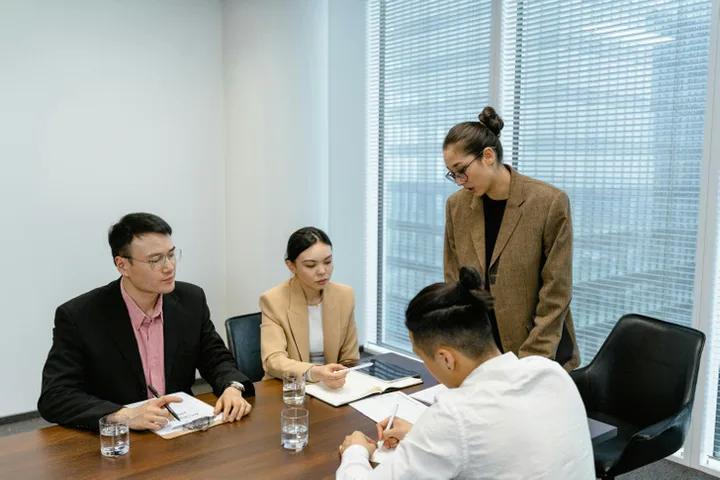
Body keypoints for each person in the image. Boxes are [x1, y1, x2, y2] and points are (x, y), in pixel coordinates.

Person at [336, 267, 595, 479]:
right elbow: (504, 441)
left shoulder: (454, 415)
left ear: (446, 358)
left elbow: (466, 430)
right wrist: (422, 436)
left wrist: (356, 450)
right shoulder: (550, 372)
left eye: (422, 357)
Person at [38, 213, 254, 431]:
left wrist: (232, 387)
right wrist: (123, 415)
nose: (169, 267)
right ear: (123, 265)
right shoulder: (81, 316)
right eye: (155, 260)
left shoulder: (191, 300)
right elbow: (55, 395)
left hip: (180, 431)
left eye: (171, 255)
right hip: (118, 440)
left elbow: (216, 358)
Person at [443, 106, 580, 370]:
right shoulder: (456, 206)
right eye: (453, 174)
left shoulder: (548, 203)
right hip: (483, 353)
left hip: (540, 354)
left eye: (462, 170)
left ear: (488, 156)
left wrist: (530, 362)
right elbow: (454, 281)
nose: (459, 181)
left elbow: (556, 292)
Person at [259, 227, 359, 388]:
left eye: (328, 262)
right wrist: (315, 372)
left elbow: (350, 358)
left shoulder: (344, 296)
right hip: (288, 388)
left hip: (332, 388)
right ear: (291, 267)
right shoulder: (273, 300)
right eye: (311, 265)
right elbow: (273, 360)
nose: (322, 271)